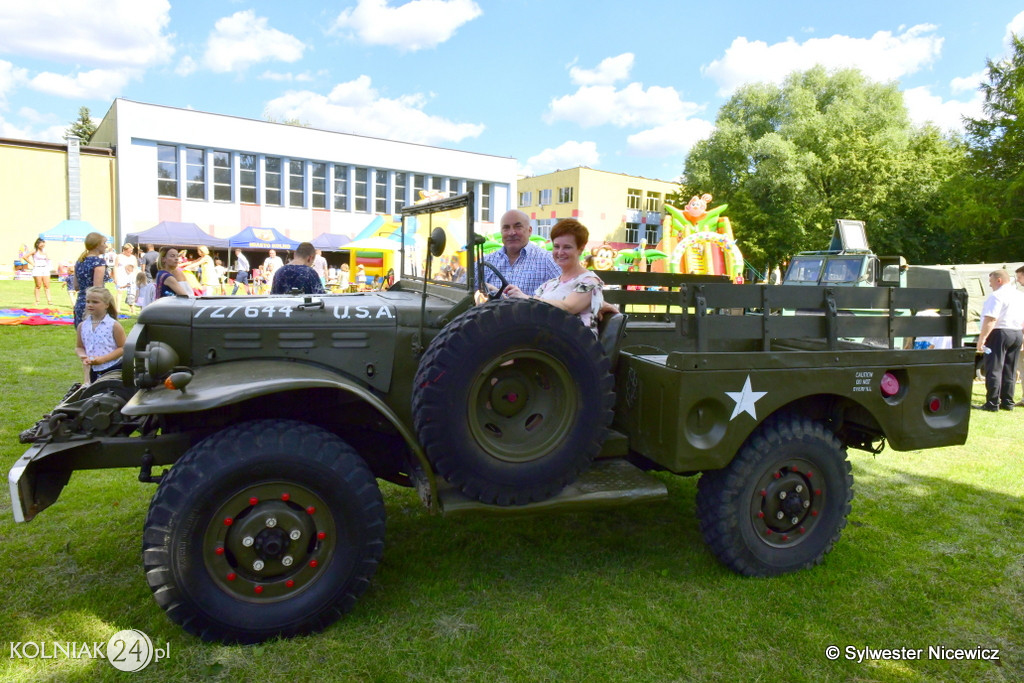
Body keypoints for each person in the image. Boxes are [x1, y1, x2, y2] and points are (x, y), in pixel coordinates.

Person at [502, 218, 605, 337]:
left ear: (580, 249)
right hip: (547, 342)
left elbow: (567, 308)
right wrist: (503, 295)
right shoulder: (550, 284)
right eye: (556, 246)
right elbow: (532, 308)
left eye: (567, 247)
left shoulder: (589, 282)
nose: (560, 252)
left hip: (574, 346)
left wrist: (525, 298)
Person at [974, 269, 1024, 412]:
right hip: (1016, 332)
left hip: (999, 332)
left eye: (990, 281)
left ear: (999, 280)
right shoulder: (1020, 295)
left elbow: (991, 318)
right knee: (1010, 369)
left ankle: (992, 402)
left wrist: (982, 338)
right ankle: (1007, 402)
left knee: (994, 369)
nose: (990, 285)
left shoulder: (996, 296)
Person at [481, 209, 559, 295]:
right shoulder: (485, 262)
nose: (511, 233)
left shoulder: (548, 260)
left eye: (518, 227)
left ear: (529, 231)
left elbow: (566, 297)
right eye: (506, 228)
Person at [75, 286, 126, 385]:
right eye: (88, 301)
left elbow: (123, 348)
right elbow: (79, 347)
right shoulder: (82, 326)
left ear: (106, 304)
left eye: (95, 302)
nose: (90, 305)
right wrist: (84, 357)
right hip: (93, 369)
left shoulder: (113, 325)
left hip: (113, 369)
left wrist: (103, 359)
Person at [72, 232, 110, 327]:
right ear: (97, 245)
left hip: (80, 303)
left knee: (83, 337)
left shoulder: (79, 261)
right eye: (104, 243)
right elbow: (97, 288)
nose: (106, 246)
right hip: (94, 305)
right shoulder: (98, 262)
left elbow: (76, 286)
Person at [28, 238, 53, 305]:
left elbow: (48, 259)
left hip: (45, 268)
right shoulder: (34, 251)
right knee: (38, 285)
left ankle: (49, 301)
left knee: (47, 285)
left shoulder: (44, 251)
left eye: (43, 243)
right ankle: (37, 301)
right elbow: (25, 256)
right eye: (41, 243)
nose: (43, 245)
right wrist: (32, 263)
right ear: (37, 244)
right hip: (37, 269)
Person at [114, 243, 138, 307]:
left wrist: (135, 277)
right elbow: (115, 267)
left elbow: (135, 268)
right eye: (129, 251)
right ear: (124, 250)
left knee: (131, 293)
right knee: (119, 291)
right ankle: (117, 308)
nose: (130, 252)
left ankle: (132, 308)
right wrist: (115, 277)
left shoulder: (133, 257)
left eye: (131, 251)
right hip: (121, 276)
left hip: (131, 277)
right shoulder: (119, 256)